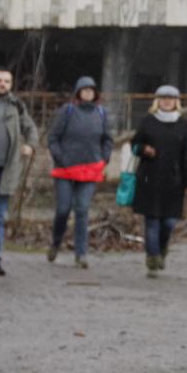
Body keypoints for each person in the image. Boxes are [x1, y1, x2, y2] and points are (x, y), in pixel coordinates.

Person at [0, 67, 38, 276]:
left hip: (5, 170)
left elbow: (30, 128)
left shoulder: (16, 106)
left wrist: (30, 144)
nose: (2, 84)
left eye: (7, 81)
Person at [130, 84, 187, 277]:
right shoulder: (148, 122)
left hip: (174, 182)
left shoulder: (183, 125)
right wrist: (144, 149)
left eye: (170, 98)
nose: (167, 101)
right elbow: (134, 144)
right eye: (163, 98)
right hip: (149, 180)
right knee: (151, 222)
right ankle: (152, 260)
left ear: (176, 102)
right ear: (157, 101)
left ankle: (161, 249)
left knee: (168, 223)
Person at [46, 76, 112, 269]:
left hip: (90, 169)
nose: (88, 93)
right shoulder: (67, 112)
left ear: (95, 94)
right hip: (65, 169)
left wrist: (104, 157)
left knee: (82, 209)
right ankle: (55, 243)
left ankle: (81, 253)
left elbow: (107, 139)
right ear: (78, 92)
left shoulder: (101, 113)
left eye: (91, 90)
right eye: (84, 90)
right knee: (63, 209)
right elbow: (53, 138)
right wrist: (60, 158)